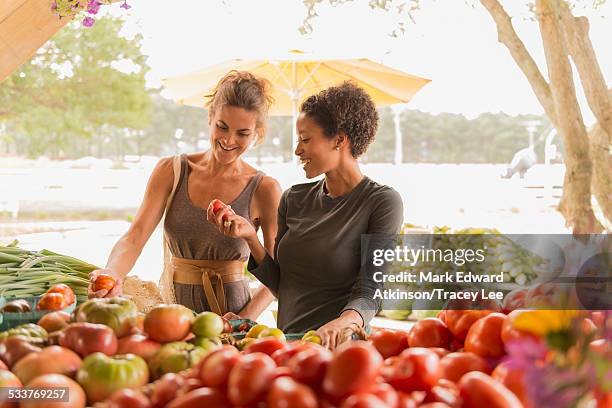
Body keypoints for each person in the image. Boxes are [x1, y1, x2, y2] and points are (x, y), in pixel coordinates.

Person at [209, 82, 404, 348]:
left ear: (339, 140)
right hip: (287, 346)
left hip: (340, 350)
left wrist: (343, 322)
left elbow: (371, 291)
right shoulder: (293, 198)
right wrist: (249, 238)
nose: (297, 150)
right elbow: (284, 285)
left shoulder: (381, 202)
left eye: (305, 139)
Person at [88, 71, 281, 320]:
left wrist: (242, 320)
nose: (228, 140)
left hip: (234, 319)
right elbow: (134, 237)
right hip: (171, 313)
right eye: (222, 127)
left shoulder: (265, 189)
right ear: (210, 117)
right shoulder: (172, 171)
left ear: (257, 133)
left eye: (242, 133)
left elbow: (277, 274)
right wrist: (113, 272)